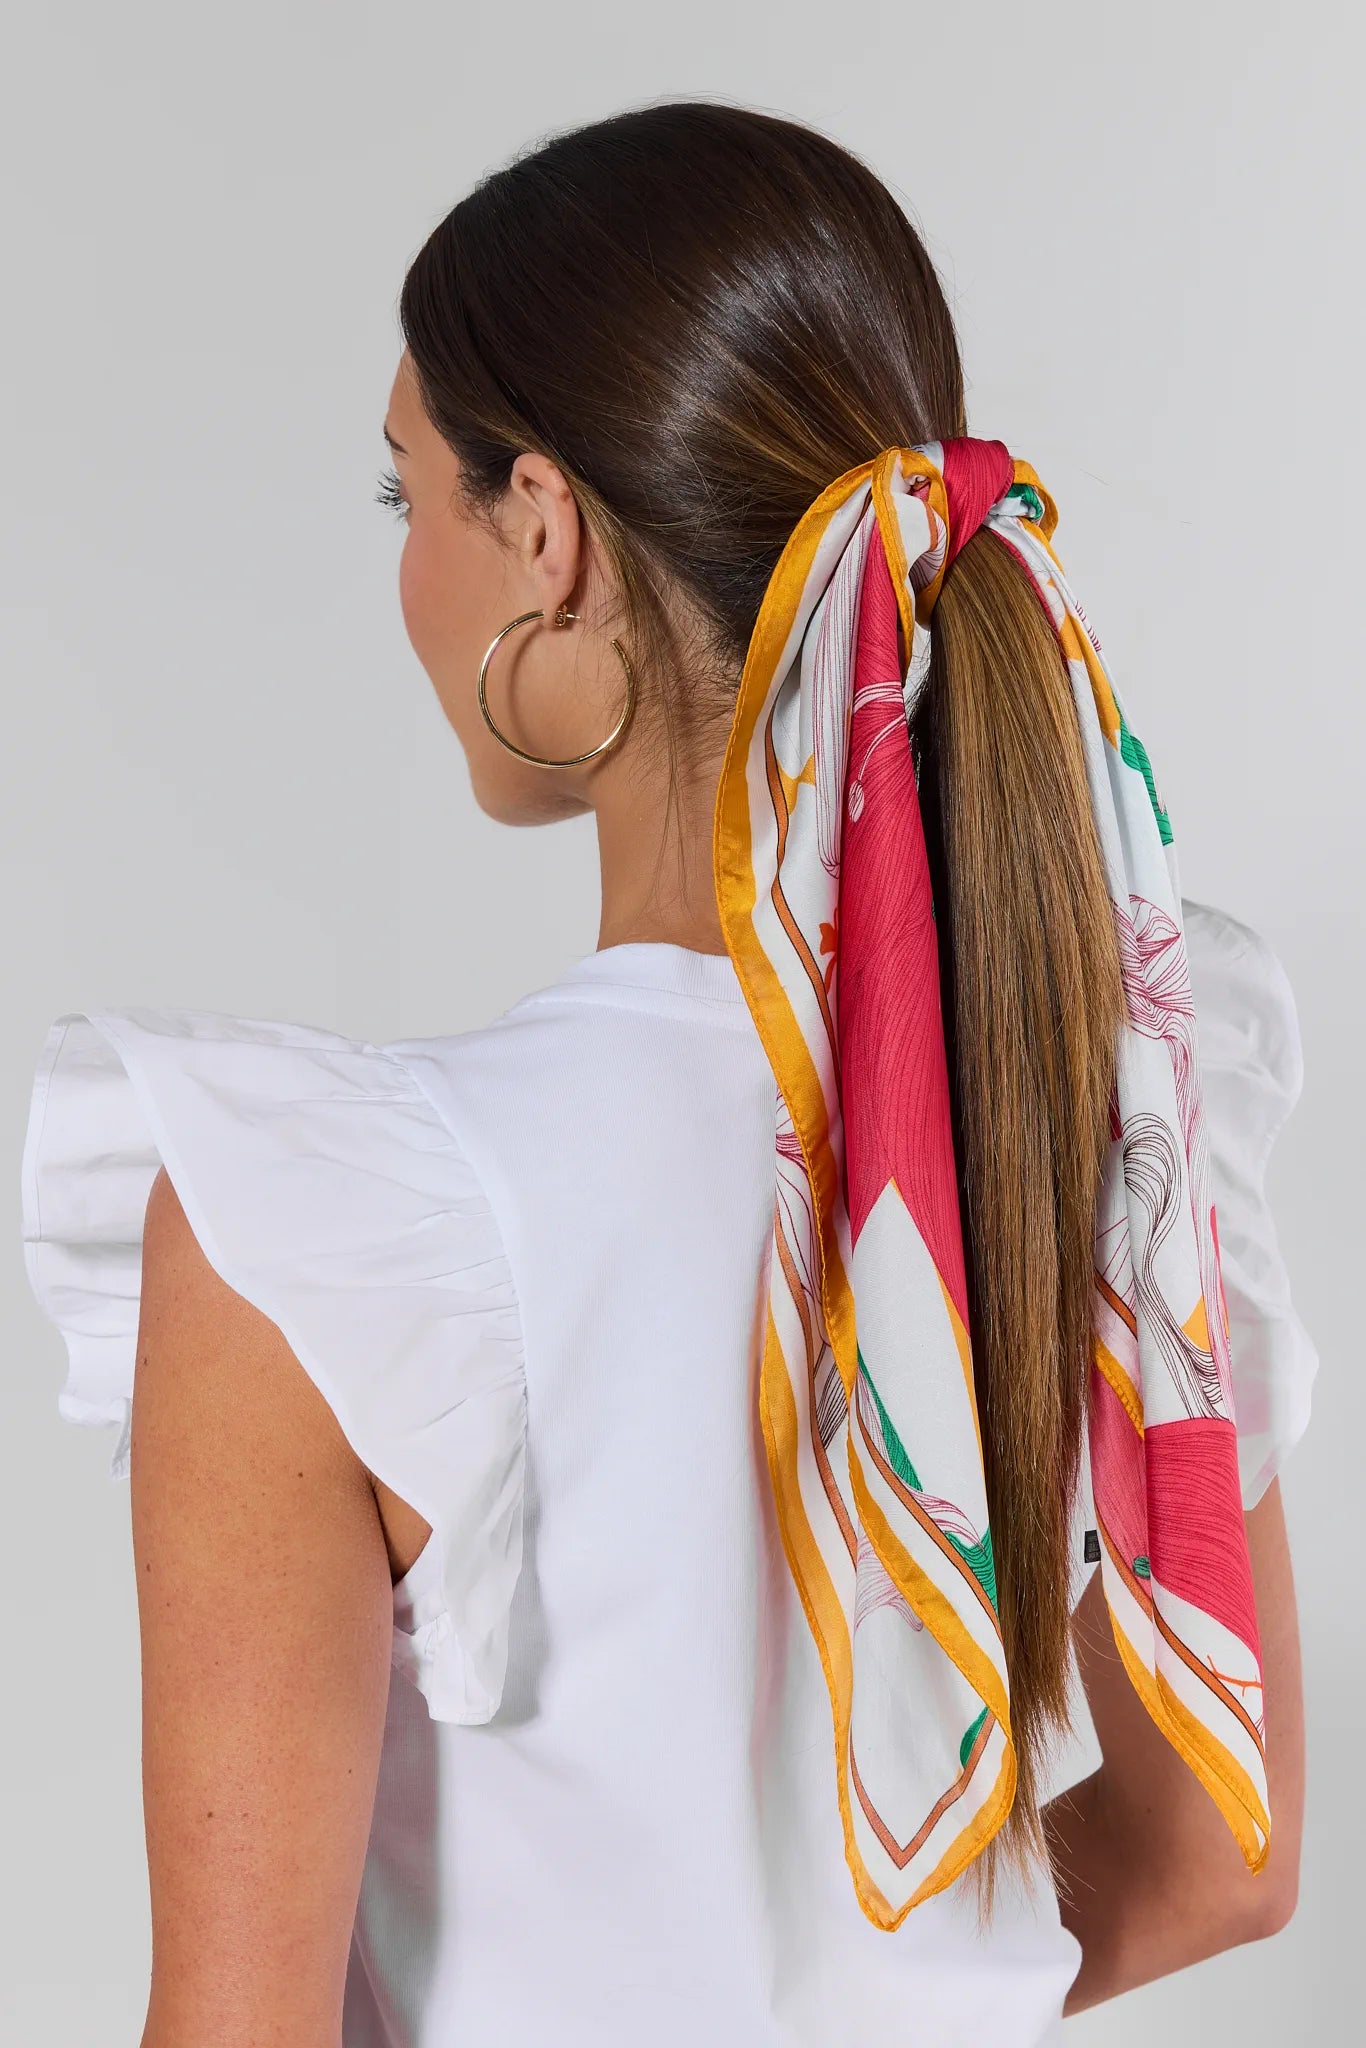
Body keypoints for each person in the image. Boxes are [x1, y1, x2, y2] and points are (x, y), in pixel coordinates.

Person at [20, 101, 1317, 2048]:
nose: (412, 573)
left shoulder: (318, 1229)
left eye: (412, 499)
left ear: (544, 533)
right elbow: (1214, 1853)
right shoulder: (1105, 1125)